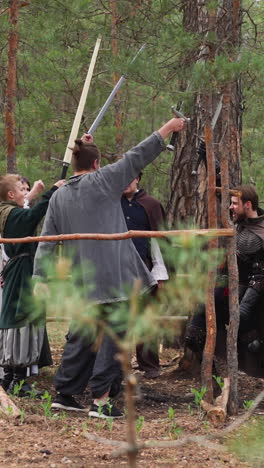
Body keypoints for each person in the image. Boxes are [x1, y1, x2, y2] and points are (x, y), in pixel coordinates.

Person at [33, 117, 186, 418]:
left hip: (84, 281)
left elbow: (47, 239)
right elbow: (137, 155)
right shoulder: (103, 181)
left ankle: (65, 392)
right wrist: (166, 128)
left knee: (82, 334)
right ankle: (100, 400)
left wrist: (41, 274)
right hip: (115, 279)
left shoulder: (60, 195)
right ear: (97, 164)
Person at [0, 174, 65, 396]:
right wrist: (53, 191)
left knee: (20, 320)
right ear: (11, 195)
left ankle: (11, 379)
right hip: (22, 275)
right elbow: (34, 214)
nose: (26, 193)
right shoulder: (13, 216)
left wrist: (39, 193)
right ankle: (18, 381)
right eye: (22, 189)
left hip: (20, 270)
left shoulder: (7, 212)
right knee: (23, 319)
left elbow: (27, 209)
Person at [185, 184, 264, 355]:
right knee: (195, 336)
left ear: (248, 205)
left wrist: (243, 309)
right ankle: (220, 379)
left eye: (235, 203)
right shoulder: (240, 219)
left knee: (252, 347)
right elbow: (224, 192)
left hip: (251, 296)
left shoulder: (260, 233)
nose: (230, 207)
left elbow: (260, 276)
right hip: (228, 289)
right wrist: (216, 168)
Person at [121, 174, 168, 378]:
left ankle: (149, 365)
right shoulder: (113, 204)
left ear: (138, 178)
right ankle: (119, 365)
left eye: (129, 177)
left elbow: (159, 242)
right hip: (118, 270)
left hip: (145, 270)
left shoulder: (151, 204)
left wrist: (160, 273)